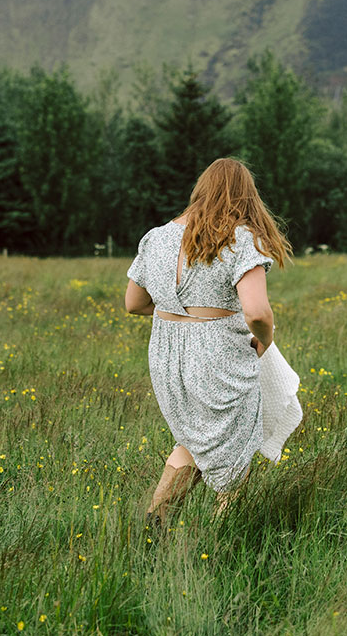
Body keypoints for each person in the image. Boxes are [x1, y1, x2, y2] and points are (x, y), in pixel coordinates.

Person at [124, 157, 291, 521]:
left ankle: (155, 523)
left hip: (166, 354)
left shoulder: (157, 236)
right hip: (218, 352)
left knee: (193, 436)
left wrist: (180, 314)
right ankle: (224, 537)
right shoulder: (241, 238)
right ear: (246, 197)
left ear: (201, 190)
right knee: (234, 442)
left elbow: (133, 303)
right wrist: (265, 339)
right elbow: (258, 312)